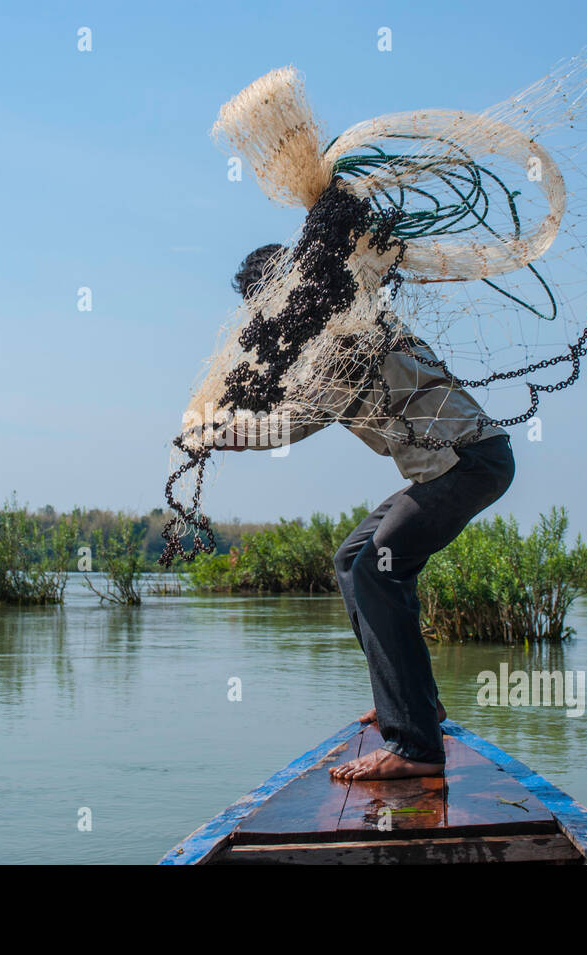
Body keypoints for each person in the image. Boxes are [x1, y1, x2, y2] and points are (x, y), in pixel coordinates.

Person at [221, 243, 516, 780]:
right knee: (352, 557)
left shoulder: (349, 334)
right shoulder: (344, 325)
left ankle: (415, 749)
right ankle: (411, 704)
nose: (270, 320)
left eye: (270, 306)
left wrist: (228, 434)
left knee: (376, 570)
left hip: (470, 463)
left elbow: (299, 418)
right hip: (447, 470)